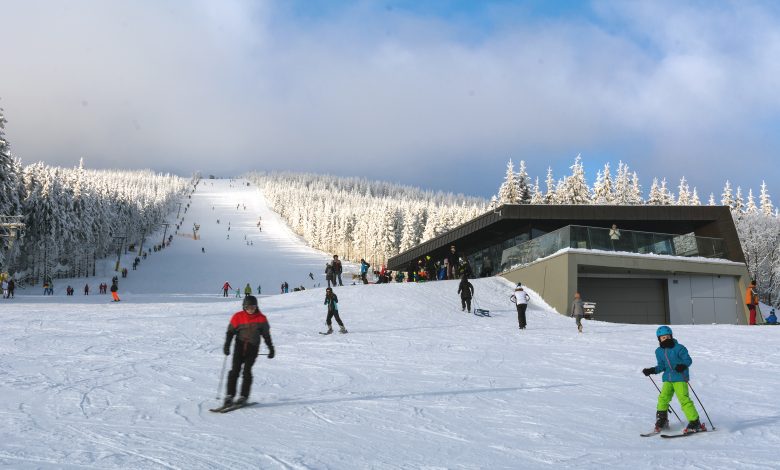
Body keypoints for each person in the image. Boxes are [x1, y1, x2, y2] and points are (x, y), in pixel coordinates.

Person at [642, 326, 706, 434]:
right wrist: (652, 370)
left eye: (667, 336)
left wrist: (683, 365)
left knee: (684, 399)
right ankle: (662, 420)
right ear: (659, 339)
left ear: (671, 336)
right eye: (663, 338)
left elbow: (688, 360)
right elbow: (661, 366)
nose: (665, 339)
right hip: (667, 379)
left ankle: (695, 422)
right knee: (663, 398)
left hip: (680, 378)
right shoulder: (659, 351)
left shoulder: (679, 348)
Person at [222, 295, 274, 407]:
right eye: (248, 307)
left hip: (253, 348)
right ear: (244, 307)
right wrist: (227, 345)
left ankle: (243, 396)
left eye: (253, 307)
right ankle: (229, 396)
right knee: (234, 371)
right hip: (239, 347)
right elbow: (230, 332)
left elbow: (266, 335)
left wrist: (271, 348)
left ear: (256, 306)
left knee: (246, 371)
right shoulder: (237, 317)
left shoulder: (262, 318)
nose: (251, 309)